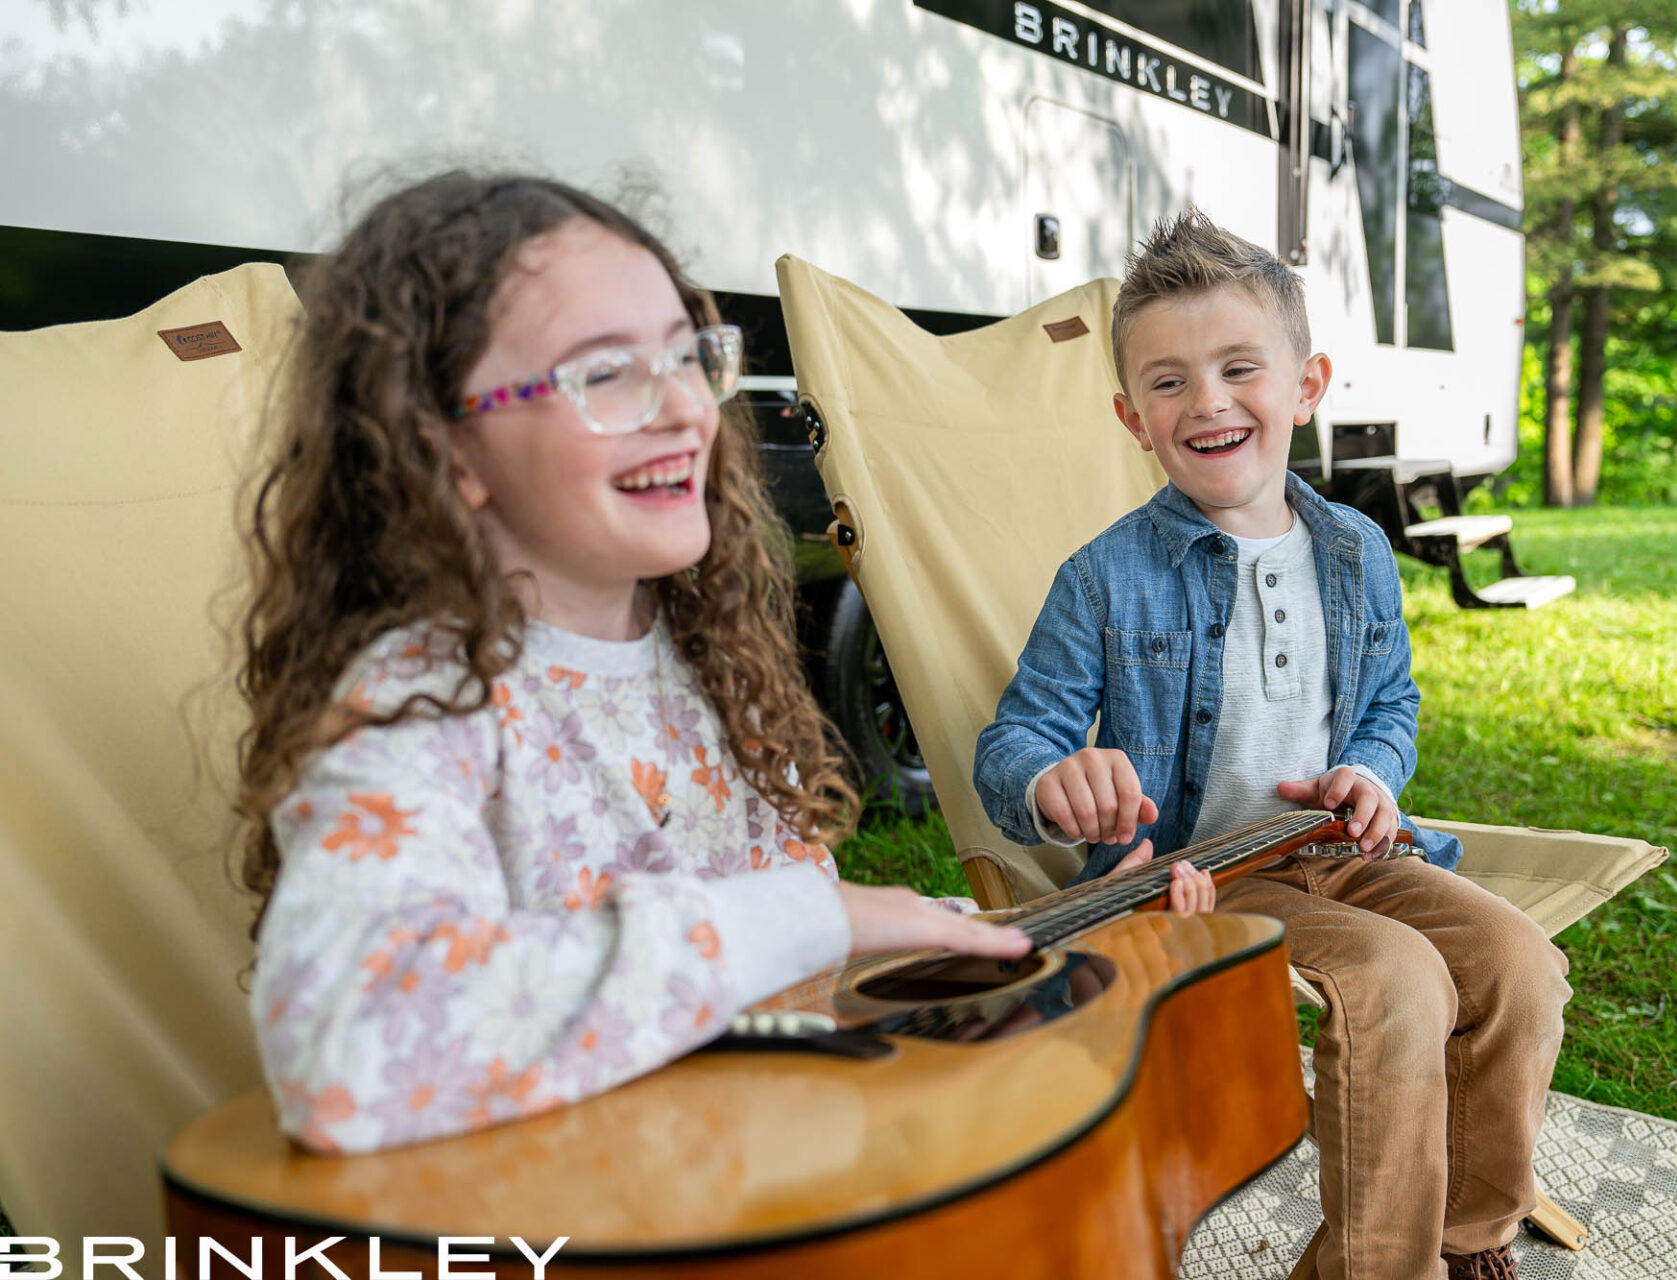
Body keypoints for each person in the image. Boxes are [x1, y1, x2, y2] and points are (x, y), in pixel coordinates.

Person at [234, 171, 1035, 1155]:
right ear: (444, 452)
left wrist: (954, 935)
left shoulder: (706, 654)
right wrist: (804, 918)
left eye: (689, 356)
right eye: (605, 372)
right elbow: (349, 1044)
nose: (685, 409)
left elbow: (801, 948)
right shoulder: (419, 706)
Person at [973, 210, 1570, 1280]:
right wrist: (1054, 780)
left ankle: (1471, 1230)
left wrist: (1376, 772)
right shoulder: (1106, 576)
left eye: (1239, 366)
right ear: (1130, 415)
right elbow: (1016, 740)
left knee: (1522, 964)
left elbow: (1393, 701)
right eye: (1168, 380)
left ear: (1306, 384)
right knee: (1398, 983)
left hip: (1344, 849)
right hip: (1204, 873)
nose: (1205, 399)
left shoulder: (1355, 549)